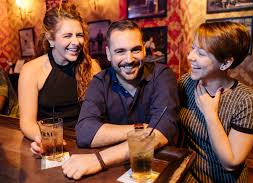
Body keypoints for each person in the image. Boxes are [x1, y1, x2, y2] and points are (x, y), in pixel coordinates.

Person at [62, 20, 179, 180]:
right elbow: (84, 132)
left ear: (144, 50)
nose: (129, 59)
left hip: (161, 166)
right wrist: (140, 129)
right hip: (118, 171)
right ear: (109, 54)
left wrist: (99, 160)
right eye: (120, 51)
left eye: (136, 50)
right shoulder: (100, 82)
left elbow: (161, 132)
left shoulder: (162, 75)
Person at [178, 21, 253, 182]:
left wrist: (211, 114)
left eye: (201, 53)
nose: (190, 57)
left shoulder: (247, 100)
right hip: (188, 176)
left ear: (225, 63)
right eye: (193, 48)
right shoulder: (186, 83)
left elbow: (230, 163)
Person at [18, 4, 101, 155]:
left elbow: (101, 114)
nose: (76, 42)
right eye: (67, 36)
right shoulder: (31, 70)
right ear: (51, 39)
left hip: (87, 142)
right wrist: (46, 139)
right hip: (53, 143)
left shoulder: (92, 67)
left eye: (79, 35)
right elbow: (27, 123)